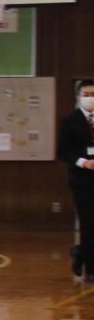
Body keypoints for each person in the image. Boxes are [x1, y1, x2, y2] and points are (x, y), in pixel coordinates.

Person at [61, 81, 94, 281]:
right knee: (89, 224)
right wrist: (83, 162)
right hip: (82, 180)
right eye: (86, 93)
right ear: (78, 96)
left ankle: (80, 252)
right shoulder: (69, 121)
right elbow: (63, 151)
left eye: (93, 94)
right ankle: (91, 269)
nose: (90, 97)